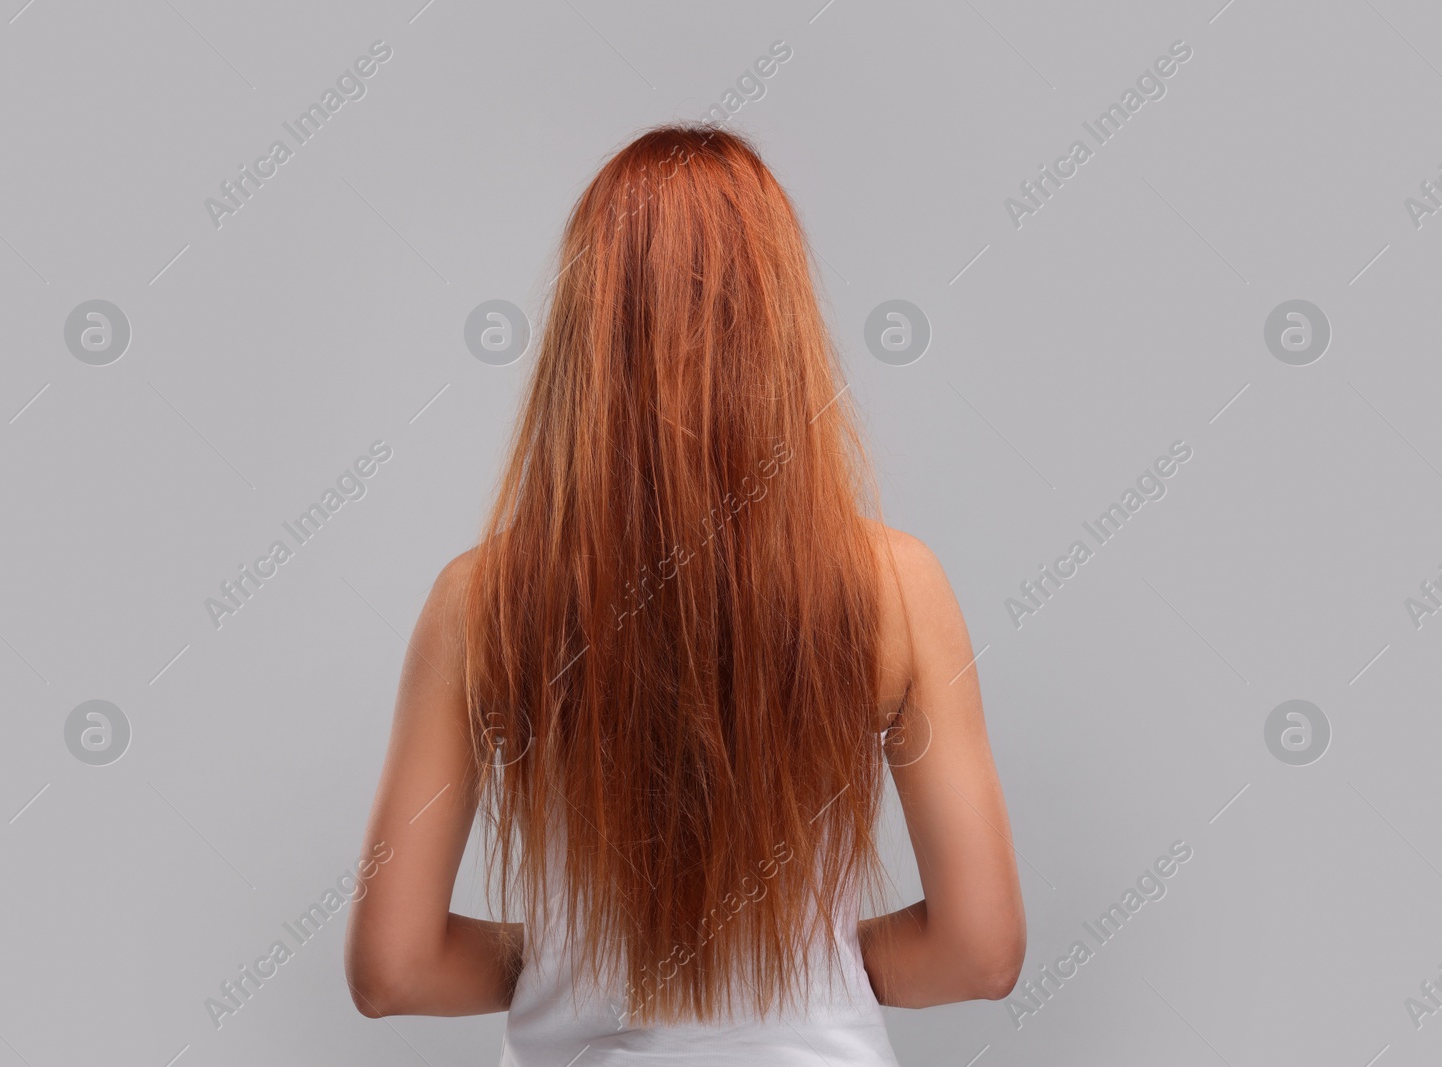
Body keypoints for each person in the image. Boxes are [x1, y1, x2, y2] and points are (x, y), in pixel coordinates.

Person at [344, 123, 1025, 1065]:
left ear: (586, 333)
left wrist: (574, 967)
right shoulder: (896, 588)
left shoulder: (482, 603)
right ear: (782, 326)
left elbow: (393, 969)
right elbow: (979, 952)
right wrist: (801, 962)